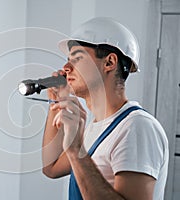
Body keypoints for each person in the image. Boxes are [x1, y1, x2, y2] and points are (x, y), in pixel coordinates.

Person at [42, 17, 169, 200]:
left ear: (109, 62)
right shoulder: (95, 127)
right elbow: (51, 167)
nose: (66, 68)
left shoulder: (137, 128)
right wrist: (56, 103)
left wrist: (75, 149)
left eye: (77, 58)